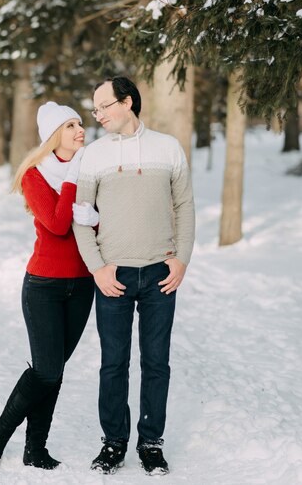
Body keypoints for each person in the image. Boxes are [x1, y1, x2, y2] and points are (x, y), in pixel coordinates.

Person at [72, 76, 195, 476]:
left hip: (161, 272)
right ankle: (113, 442)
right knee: (114, 363)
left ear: (127, 103)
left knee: (157, 362)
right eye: (95, 109)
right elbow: (81, 219)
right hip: (114, 276)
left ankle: (151, 442)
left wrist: (182, 259)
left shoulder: (168, 148)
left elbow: (185, 207)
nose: (98, 115)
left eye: (103, 106)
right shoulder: (93, 155)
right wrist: (97, 268)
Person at [0, 102, 95, 470]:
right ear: (52, 136)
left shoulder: (90, 170)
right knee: (45, 370)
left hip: (82, 286)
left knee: (54, 370)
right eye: (70, 125)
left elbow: (98, 224)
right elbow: (60, 225)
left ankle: (36, 450)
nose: (81, 129)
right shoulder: (35, 175)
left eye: (80, 123)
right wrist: (72, 178)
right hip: (44, 286)